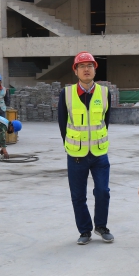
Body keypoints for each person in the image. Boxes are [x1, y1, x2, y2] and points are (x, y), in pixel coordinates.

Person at [57, 52, 114, 245]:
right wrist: (72, 145)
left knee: (103, 191)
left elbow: (105, 121)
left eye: (90, 65)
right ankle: (84, 230)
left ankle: (101, 226)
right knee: (78, 196)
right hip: (76, 155)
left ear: (95, 69)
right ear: (76, 71)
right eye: (82, 66)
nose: (86, 69)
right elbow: (62, 124)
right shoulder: (66, 94)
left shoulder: (105, 93)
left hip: (99, 153)